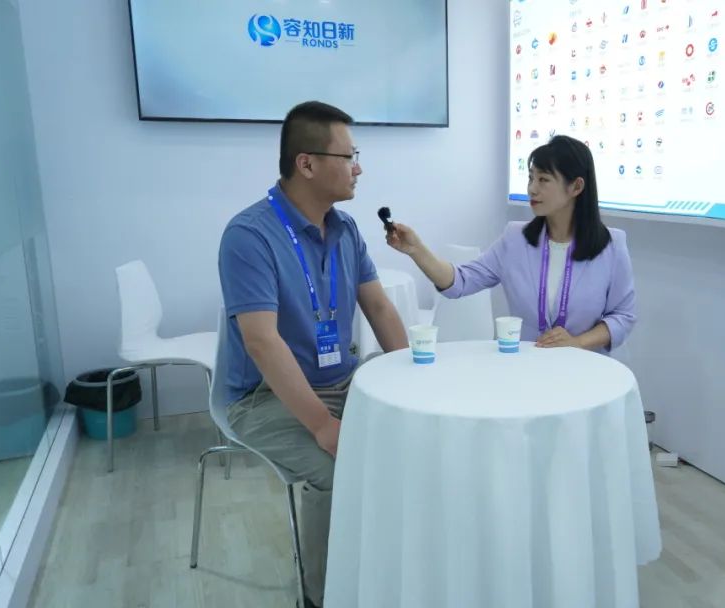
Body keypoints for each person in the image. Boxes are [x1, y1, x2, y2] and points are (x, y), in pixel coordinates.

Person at [217, 101, 408, 608]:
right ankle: (323, 596)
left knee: (415, 444)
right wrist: (323, 425)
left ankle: (389, 574)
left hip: (343, 382)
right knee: (338, 474)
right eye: (349, 157)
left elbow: (379, 307)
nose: (358, 168)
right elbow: (261, 341)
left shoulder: (345, 229)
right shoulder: (249, 236)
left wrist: (414, 381)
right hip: (264, 398)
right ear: (307, 163)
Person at [387, 135, 636, 352]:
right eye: (530, 178)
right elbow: (460, 281)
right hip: (525, 368)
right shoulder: (515, 239)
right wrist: (416, 250)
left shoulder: (611, 245)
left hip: (585, 369)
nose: (532, 189)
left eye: (543, 180)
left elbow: (623, 316)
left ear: (576, 186)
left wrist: (577, 342)